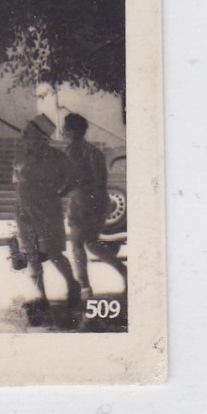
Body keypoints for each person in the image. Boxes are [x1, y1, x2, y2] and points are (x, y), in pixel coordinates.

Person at [13, 115, 79, 316]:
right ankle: (41, 298)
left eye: (27, 133)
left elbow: (74, 180)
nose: (23, 136)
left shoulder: (58, 158)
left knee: (53, 253)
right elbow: (17, 182)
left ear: (41, 137)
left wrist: (58, 194)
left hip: (48, 211)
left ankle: (72, 285)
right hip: (25, 212)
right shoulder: (20, 156)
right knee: (30, 254)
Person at [61, 112, 126, 297]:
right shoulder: (94, 151)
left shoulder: (72, 151)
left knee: (77, 245)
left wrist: (60, 194)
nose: (63, 132)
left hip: (82, 201)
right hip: (100, 199)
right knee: (91, 242)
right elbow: (102, 178)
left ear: (72, 131)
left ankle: (84, 287)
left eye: (66, 128)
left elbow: (74, 179)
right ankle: (123, 271)